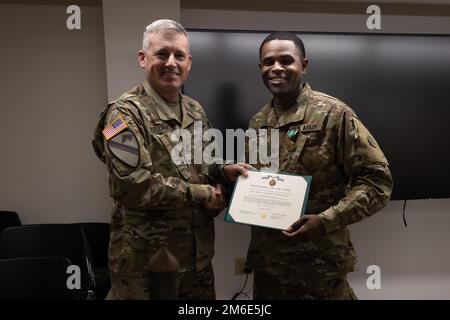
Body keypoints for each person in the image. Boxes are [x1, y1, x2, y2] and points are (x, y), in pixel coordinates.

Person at [92, 19, 247, 300]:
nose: (171, 63)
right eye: (162, 54)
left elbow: (204, 164)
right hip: (146, 266)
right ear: (143, 58)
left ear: (189, 61)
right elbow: (132, 185)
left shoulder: (194, 109)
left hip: (197, 260)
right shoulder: (123, 115)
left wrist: (224, 171)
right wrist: (202, 194)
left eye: (179, 55)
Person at [244, 32, 394, 299]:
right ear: (260, 69)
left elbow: (377, 182)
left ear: (304, 65)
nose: (276, 68)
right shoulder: (258, 122)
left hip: (319, 268)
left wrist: (326, 221)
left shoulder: (334, 115)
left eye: (286, 60)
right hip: (268, 270)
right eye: (268, 62)